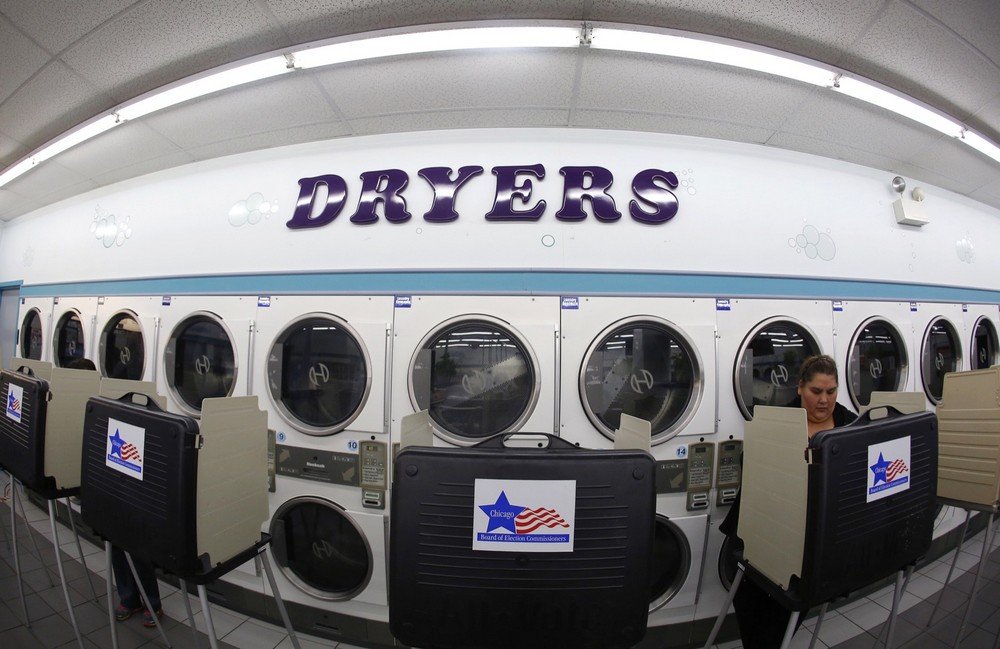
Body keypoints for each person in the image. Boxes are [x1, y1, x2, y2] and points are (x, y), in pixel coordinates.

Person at [720, 354, 856, 648]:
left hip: (811, 541)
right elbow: (751, 461)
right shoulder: (778, 419)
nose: (824, 400)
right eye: (816, 391)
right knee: (748, 600)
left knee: (788, 609)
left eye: (831, 392)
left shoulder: (850, 426)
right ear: (800, 389)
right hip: (766, 527)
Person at [65, 357, 164, 627]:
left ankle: (151, 602)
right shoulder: (82, 407)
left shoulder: (115, 403)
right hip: (105, 486)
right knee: (116, 545)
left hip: (129, 487)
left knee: (138, 545)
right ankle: (128, 598)